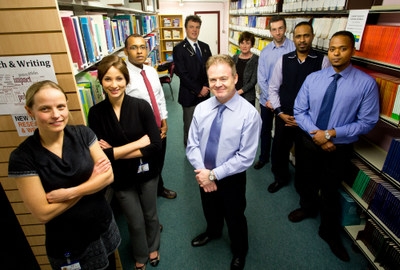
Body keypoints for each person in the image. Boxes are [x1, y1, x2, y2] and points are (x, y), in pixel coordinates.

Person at [8, 80, 120, 270]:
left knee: (110, 265)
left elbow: (108, 177)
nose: (56, 115)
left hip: (101, 224)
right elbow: (43, 213)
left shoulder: (83, 134)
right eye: (45, 109)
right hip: (68, 241)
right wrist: (92, 182)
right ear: (30, 111)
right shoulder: (22, 157)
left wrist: (68, 193)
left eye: (61, 106)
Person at [294, 31, 380, 261]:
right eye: (332, 49)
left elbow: (368, 121)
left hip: (338, 147)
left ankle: (328, 232)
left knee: (330, 190)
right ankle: (307, 207)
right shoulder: (314, 79)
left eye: (342, 48)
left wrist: (331, 134)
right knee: (305, 179)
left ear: (352, 50)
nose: (336, 53)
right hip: (310, 141)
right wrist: (317, 135)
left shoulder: (366, 84)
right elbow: (299, 110)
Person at [186, 55, 262, 270]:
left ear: (235, 78)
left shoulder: (249, 115)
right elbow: (192, 145)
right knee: (209, 207)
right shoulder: (201, 109)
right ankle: (213, 231)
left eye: (223, 78)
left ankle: (240, 250)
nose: (218, 84)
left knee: (235, 215)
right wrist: (204, 173)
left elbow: (245, 157)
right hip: (203, 173)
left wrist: (214, 175)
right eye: (212, 80)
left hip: (231, 177)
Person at [88, 55, 162, 270]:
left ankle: (153, 246)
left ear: (126, 80)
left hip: (147, 172)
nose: (114, 85)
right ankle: (141, 254)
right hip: (119, 177)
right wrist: (137, 145)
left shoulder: (141, 106)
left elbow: (155, 146)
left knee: (150, 214)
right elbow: (100, 157)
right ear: (101, 82)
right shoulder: (96, 113)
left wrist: (115, 151)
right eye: (108, 79)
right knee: (134, 221)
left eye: (119, 78)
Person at [267, 21, 331, 193]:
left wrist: (304, 120)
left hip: (308, 121)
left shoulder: (322, 61)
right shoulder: (284, 60)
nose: (302, 40)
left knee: (305, 157)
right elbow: (273, 89)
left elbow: (324, 95)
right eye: (298, 36)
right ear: (293, 38)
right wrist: (279, 113)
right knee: (279, 150)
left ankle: (302, 189)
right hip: (285, 116)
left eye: (306, 35)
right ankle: (280, 178)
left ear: (312, 37)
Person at [124, 33, 177, 200]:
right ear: (126, 51)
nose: (139, 52)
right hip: (139, 131)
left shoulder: (151, 71)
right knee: (145, 164)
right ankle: (145, 197)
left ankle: (159, 187)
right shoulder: (123, 76)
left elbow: (159, 98)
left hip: (158, 126)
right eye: (134, 47)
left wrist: (164, 122)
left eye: (142, 47)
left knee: (159, 160)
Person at [254, 15, 295, 170]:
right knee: (265, 130)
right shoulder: (265, 52)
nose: (277, 32)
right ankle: (263, 157)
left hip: (285, 102)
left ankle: (278, 163)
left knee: (281, 135)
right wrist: (271, 99)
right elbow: (261, 77)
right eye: (274, 29)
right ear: (270, 31)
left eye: (280, 28)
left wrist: (278, 101)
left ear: (285, 29)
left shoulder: (293, 48)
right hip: (267, 100)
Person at [173, 14, 212, 147]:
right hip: (189, 95)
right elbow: (182, 74)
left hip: (206, 94)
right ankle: (191, 151)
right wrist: (198, 89)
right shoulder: (179, 49)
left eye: (197, 27)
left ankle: (203, 147)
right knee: (190, 126)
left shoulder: (205, 47)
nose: (194, 30)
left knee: (205, 124)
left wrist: (206, 87)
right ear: (186, 28)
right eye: (191, 27)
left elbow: (210, 69)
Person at [232, 31, 258, 106]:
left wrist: (239, 92)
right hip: (234, 95)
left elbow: (253, 81)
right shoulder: (235, 57)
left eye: (247, 43)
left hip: (248, 98)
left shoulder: (255, 59)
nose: (244, 46)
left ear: (252, 45)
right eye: (242, 43)